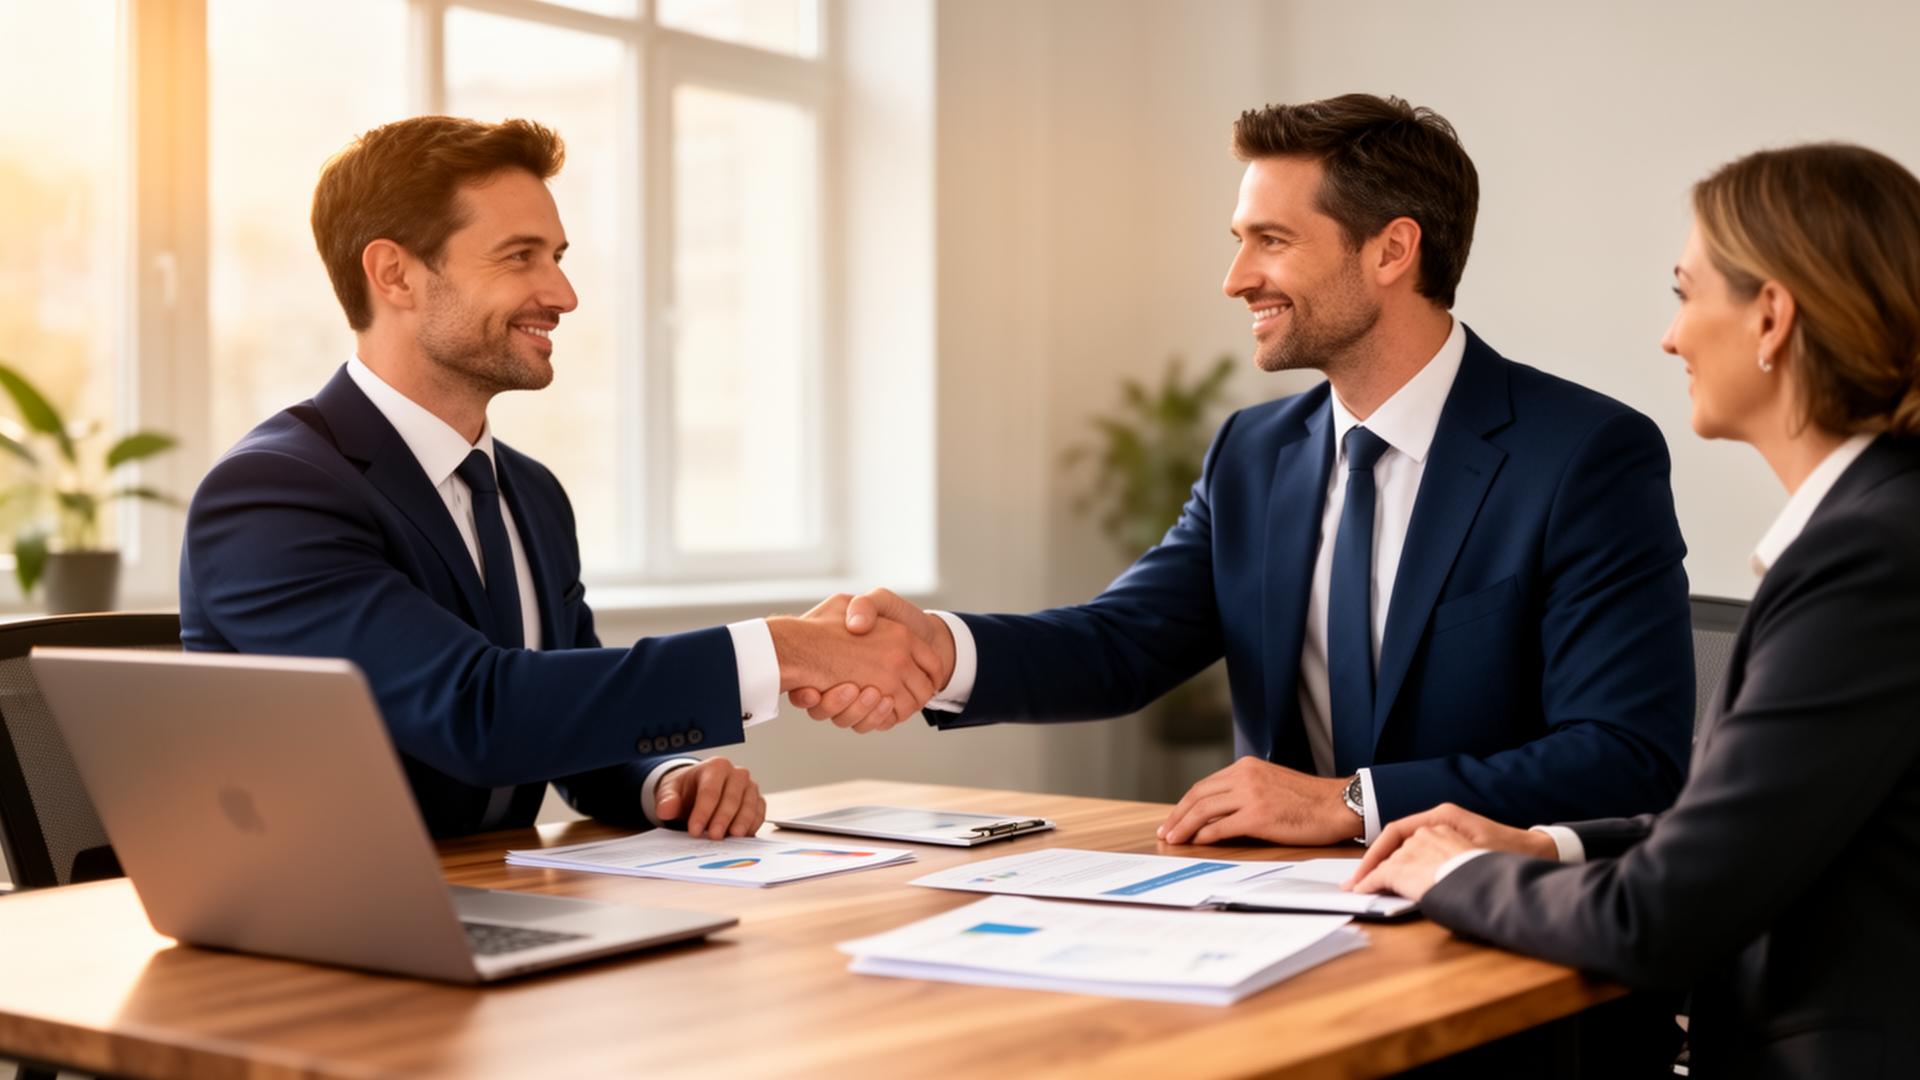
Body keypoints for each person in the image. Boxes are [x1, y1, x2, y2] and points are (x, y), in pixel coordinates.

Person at [795, 94, 1693, 846]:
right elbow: (1122, 645)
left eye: (1271, 240)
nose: (1235, 279)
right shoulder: (1252, 454)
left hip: (1504, 930)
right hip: (1273, 915)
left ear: (1391, 251)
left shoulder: (1583, 456)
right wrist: (935, 649)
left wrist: (1350, 801)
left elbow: (1624, 753)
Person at [181, 116, 941, 840]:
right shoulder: (273, 496)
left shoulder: (530, 493)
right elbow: (478, 715)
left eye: (559, 257)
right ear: (394, 275)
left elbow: (564, 719)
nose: (563, 294)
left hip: (500, 906)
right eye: (521, 257)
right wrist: (781, 649)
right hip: (330, 935)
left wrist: (663, 781)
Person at [1348, 142, 1920, 1076]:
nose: (1671, 337)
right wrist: (1539, 843)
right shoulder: (1878, 529)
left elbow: (1660, 917)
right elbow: (1739, 831)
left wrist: (1453, 873)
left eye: (1685, 294)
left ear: (1772, 315)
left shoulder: (1869, 560)